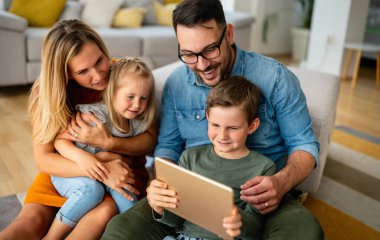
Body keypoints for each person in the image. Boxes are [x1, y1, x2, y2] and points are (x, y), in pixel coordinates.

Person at [102, 0, 323, 239]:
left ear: (228, 33)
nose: (202, 64)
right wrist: (161, 185)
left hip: (264, 202)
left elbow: (304, 145)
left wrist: (280, 183)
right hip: (188, 197)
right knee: (120, 231)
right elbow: (168, 147)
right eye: (188, 54)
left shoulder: (276, 78)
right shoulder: (177, 84)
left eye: (209, 50)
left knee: (306, 233)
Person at [0, 20, 157, 240]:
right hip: (67, 169)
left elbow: (150, 138)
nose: (99, 75)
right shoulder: (47, 92)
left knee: (100, 216)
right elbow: (44, 159)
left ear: (103, 49)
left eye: (99, 60)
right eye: (83, 71)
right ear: (66, 74)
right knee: (30, 221)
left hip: (121, 171)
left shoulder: (124, 75)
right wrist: (99, 167)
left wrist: (110, 144)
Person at [148, 76, 276, 239]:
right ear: (207, 117)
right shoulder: (190, 158)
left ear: (251, 126)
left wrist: (239, 220)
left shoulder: (263, 167)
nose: (222, 136)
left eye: (233, 128)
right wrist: (159, 207)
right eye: (215, 125)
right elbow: (176, 219)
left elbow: (256, 228)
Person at [42, 57, 155, 239]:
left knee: (127, 195)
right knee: (92, 190)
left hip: (106, 174)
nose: (137, 104)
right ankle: (52, 236)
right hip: (72, 172)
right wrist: (83, 158)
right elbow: (60, 142)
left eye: (143, 98)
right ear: (113, 92)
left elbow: (151, 140)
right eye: (130, 97)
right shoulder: (94, 116)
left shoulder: (136, 122)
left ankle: (133, 232)